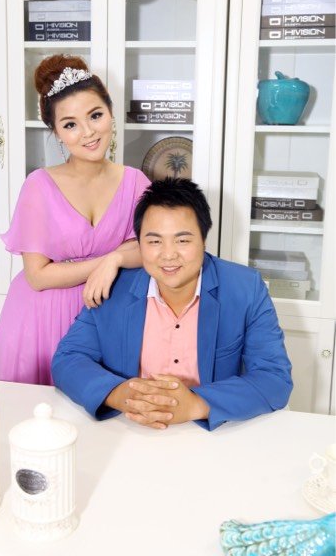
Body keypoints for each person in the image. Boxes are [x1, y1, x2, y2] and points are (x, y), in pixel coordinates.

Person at [52, 177, 293, 431]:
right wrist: (120, 394)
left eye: (182, 240)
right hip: (132, 428)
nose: (168, 255)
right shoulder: (113, 288)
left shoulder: (245, 288)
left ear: (204, 240)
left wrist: (197, 404)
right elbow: (68, 359)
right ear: (139, 244)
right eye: (155, 241)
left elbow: (274, 378)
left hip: (213, 434)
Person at [0, 54, 150, 385]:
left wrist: (118, 258)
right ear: (57, 132)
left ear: (110, 112)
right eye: (70, 124)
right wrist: (111, 260)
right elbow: (38, 276)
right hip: (40, 318)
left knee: (101, 408)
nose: (88, 132)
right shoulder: (39, 185)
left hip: (105, 314)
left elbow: (149, 247)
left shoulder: (135, 182)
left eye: (95, 115)